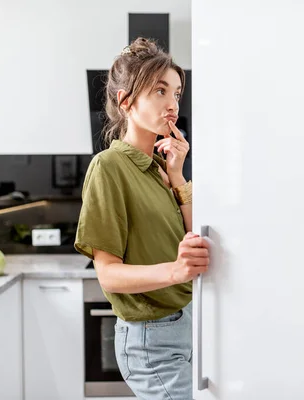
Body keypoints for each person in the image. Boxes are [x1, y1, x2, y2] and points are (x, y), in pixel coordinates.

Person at [74, 37, 210, 399]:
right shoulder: (109, 167)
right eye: (160, 91)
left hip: (187, 322)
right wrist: (177, 270)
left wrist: (179, 176)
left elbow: (194, 237)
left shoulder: (161, 169)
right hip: (151, 340)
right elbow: (108, 275)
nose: (172, 104)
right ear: (126, 101)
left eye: (177, 93)